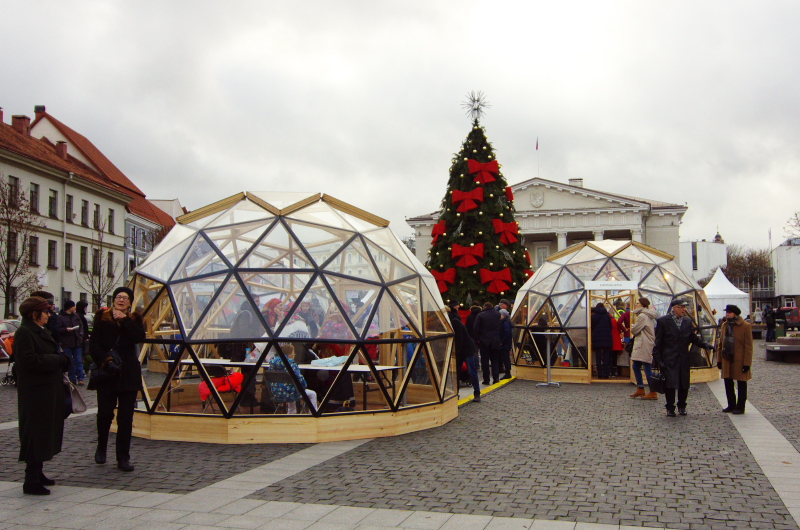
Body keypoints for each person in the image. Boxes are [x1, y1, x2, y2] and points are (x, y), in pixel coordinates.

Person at [15, 296, 70, 495]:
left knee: (45, 432)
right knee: (35, 433)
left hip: (46, 389)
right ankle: (30, 478)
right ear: (34, 313)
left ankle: (38, 472)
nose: (49, 315)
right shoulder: (25, 332)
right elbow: (28, 360)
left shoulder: (39, 330)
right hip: (35, 392)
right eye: (46, 311)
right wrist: (56, 360)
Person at [90, 286, 145, 472]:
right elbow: (94, 346)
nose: (121, 300)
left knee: (125, 418)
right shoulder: (102, 318)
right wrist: (106, 361)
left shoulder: (136, 319)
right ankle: (101, 447)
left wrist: (126, 321)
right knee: (105, 414)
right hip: (108, 373)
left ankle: (123, 457)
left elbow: (139, 337)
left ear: (130, 302)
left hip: (128, 373)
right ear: (113, 300)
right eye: (118, 297)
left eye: (125, 298)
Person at [652, 299, 714, 417]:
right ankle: (670, 407)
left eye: (684, 307)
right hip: (669, 358)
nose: (684, 309)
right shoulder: (663, 321)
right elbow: (658, 342)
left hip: (684, 358)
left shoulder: (687, 321)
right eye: (681, 307)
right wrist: (659, 361)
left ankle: (682, 406)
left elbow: (693, 337)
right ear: (674, 308)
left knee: (683, 384)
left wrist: (705, 345)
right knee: (669, 384)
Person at [717, 304, 753, 414]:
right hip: (727, 358)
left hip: (739, 359)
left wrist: (747, 363)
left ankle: (740, 406)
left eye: (730, 312)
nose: (727, 314)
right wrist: (719, 360)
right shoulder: (724, 325)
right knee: (728, 382)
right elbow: (721, 343)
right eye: (727, 312)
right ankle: (731, 405)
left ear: (735, 314)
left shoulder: (745, 326)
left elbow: (749, 346)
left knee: (741, 383)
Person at [267, 344, 317, 414]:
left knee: (291, 389)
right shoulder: (292, 364)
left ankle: (291, 413)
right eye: (294, 353)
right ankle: (313, 414)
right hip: (291, 393)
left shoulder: (272, 364)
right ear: (290, 355)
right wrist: (304, 387)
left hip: (276, 393)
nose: (294, 355)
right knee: (312, 394)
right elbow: (300, 380)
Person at [448, 300, 480, 402]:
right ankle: (456, 394)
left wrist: (457, 352)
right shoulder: (454, 319)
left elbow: (460, 339)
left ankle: (477, 393)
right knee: (458, 372)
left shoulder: (454, 321)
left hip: (466, 349)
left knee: (471, 371)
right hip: (462, 349)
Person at [629, 298, 658, 400]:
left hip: (643, 344)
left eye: (637, 303)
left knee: (646, 367)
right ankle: (641, 388)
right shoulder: (648, 315)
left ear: (642, 305)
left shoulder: (642, 316)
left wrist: (633, 328)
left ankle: (652, 391)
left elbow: (635, 330)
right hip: (645, 343)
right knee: (637, 366)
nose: (635, 305)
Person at [472, 302, 502, 385]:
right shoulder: (497, 314)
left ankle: (486, 379)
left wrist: (478, 338)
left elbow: (475, 328)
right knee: (495, 360)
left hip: (484, 341)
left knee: (485, 361)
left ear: (484, 307)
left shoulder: (481, 315)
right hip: (495, 340)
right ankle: (496, 378)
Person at [57, 300, 85, 385]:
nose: (75, 307)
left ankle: (81, 378)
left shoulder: (76, 316)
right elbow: (58, 329)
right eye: (73, 306)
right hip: (67, 342)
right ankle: (72, 379)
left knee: (79, 361)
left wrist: (81, 335)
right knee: (70, 361)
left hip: (77, 342)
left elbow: (81, 327)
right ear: (69, 307)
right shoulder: (61, 317)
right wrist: (66, 330)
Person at [591, 304, 613, 379]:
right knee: (606, 356)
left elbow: (592, 326)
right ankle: (606, 374)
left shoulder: (593, 316)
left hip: (597, 337)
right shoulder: (607, 315)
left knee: (598, 356)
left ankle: (599, 374)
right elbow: (611, 326)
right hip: (607, 337)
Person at [499, 308, 513, 380]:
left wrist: (502, 342)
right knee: (505, 358)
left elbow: (507, 333)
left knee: (506, 358)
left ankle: (508, 373)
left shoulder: (505, 323)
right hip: (506, 343)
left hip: (505, 344)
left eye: (500, 314)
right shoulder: (505, 322)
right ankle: (507, 372)